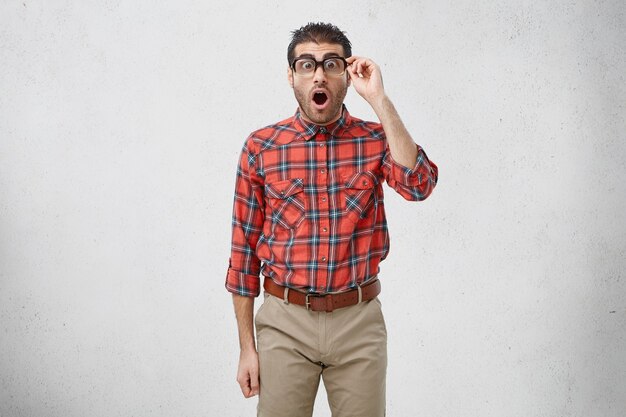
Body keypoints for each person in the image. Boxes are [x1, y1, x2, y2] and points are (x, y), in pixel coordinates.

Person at [225, 22, 438, 417]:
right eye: (306, 64)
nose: (319, 74)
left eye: (331, 64)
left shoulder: (375, 140)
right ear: (291, 76)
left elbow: (419, 184)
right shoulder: (261, 148)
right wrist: (246, 347)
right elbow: (243, 256)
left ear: (346, 73)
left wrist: (379, 99)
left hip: (358, 322)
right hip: (284, 322)